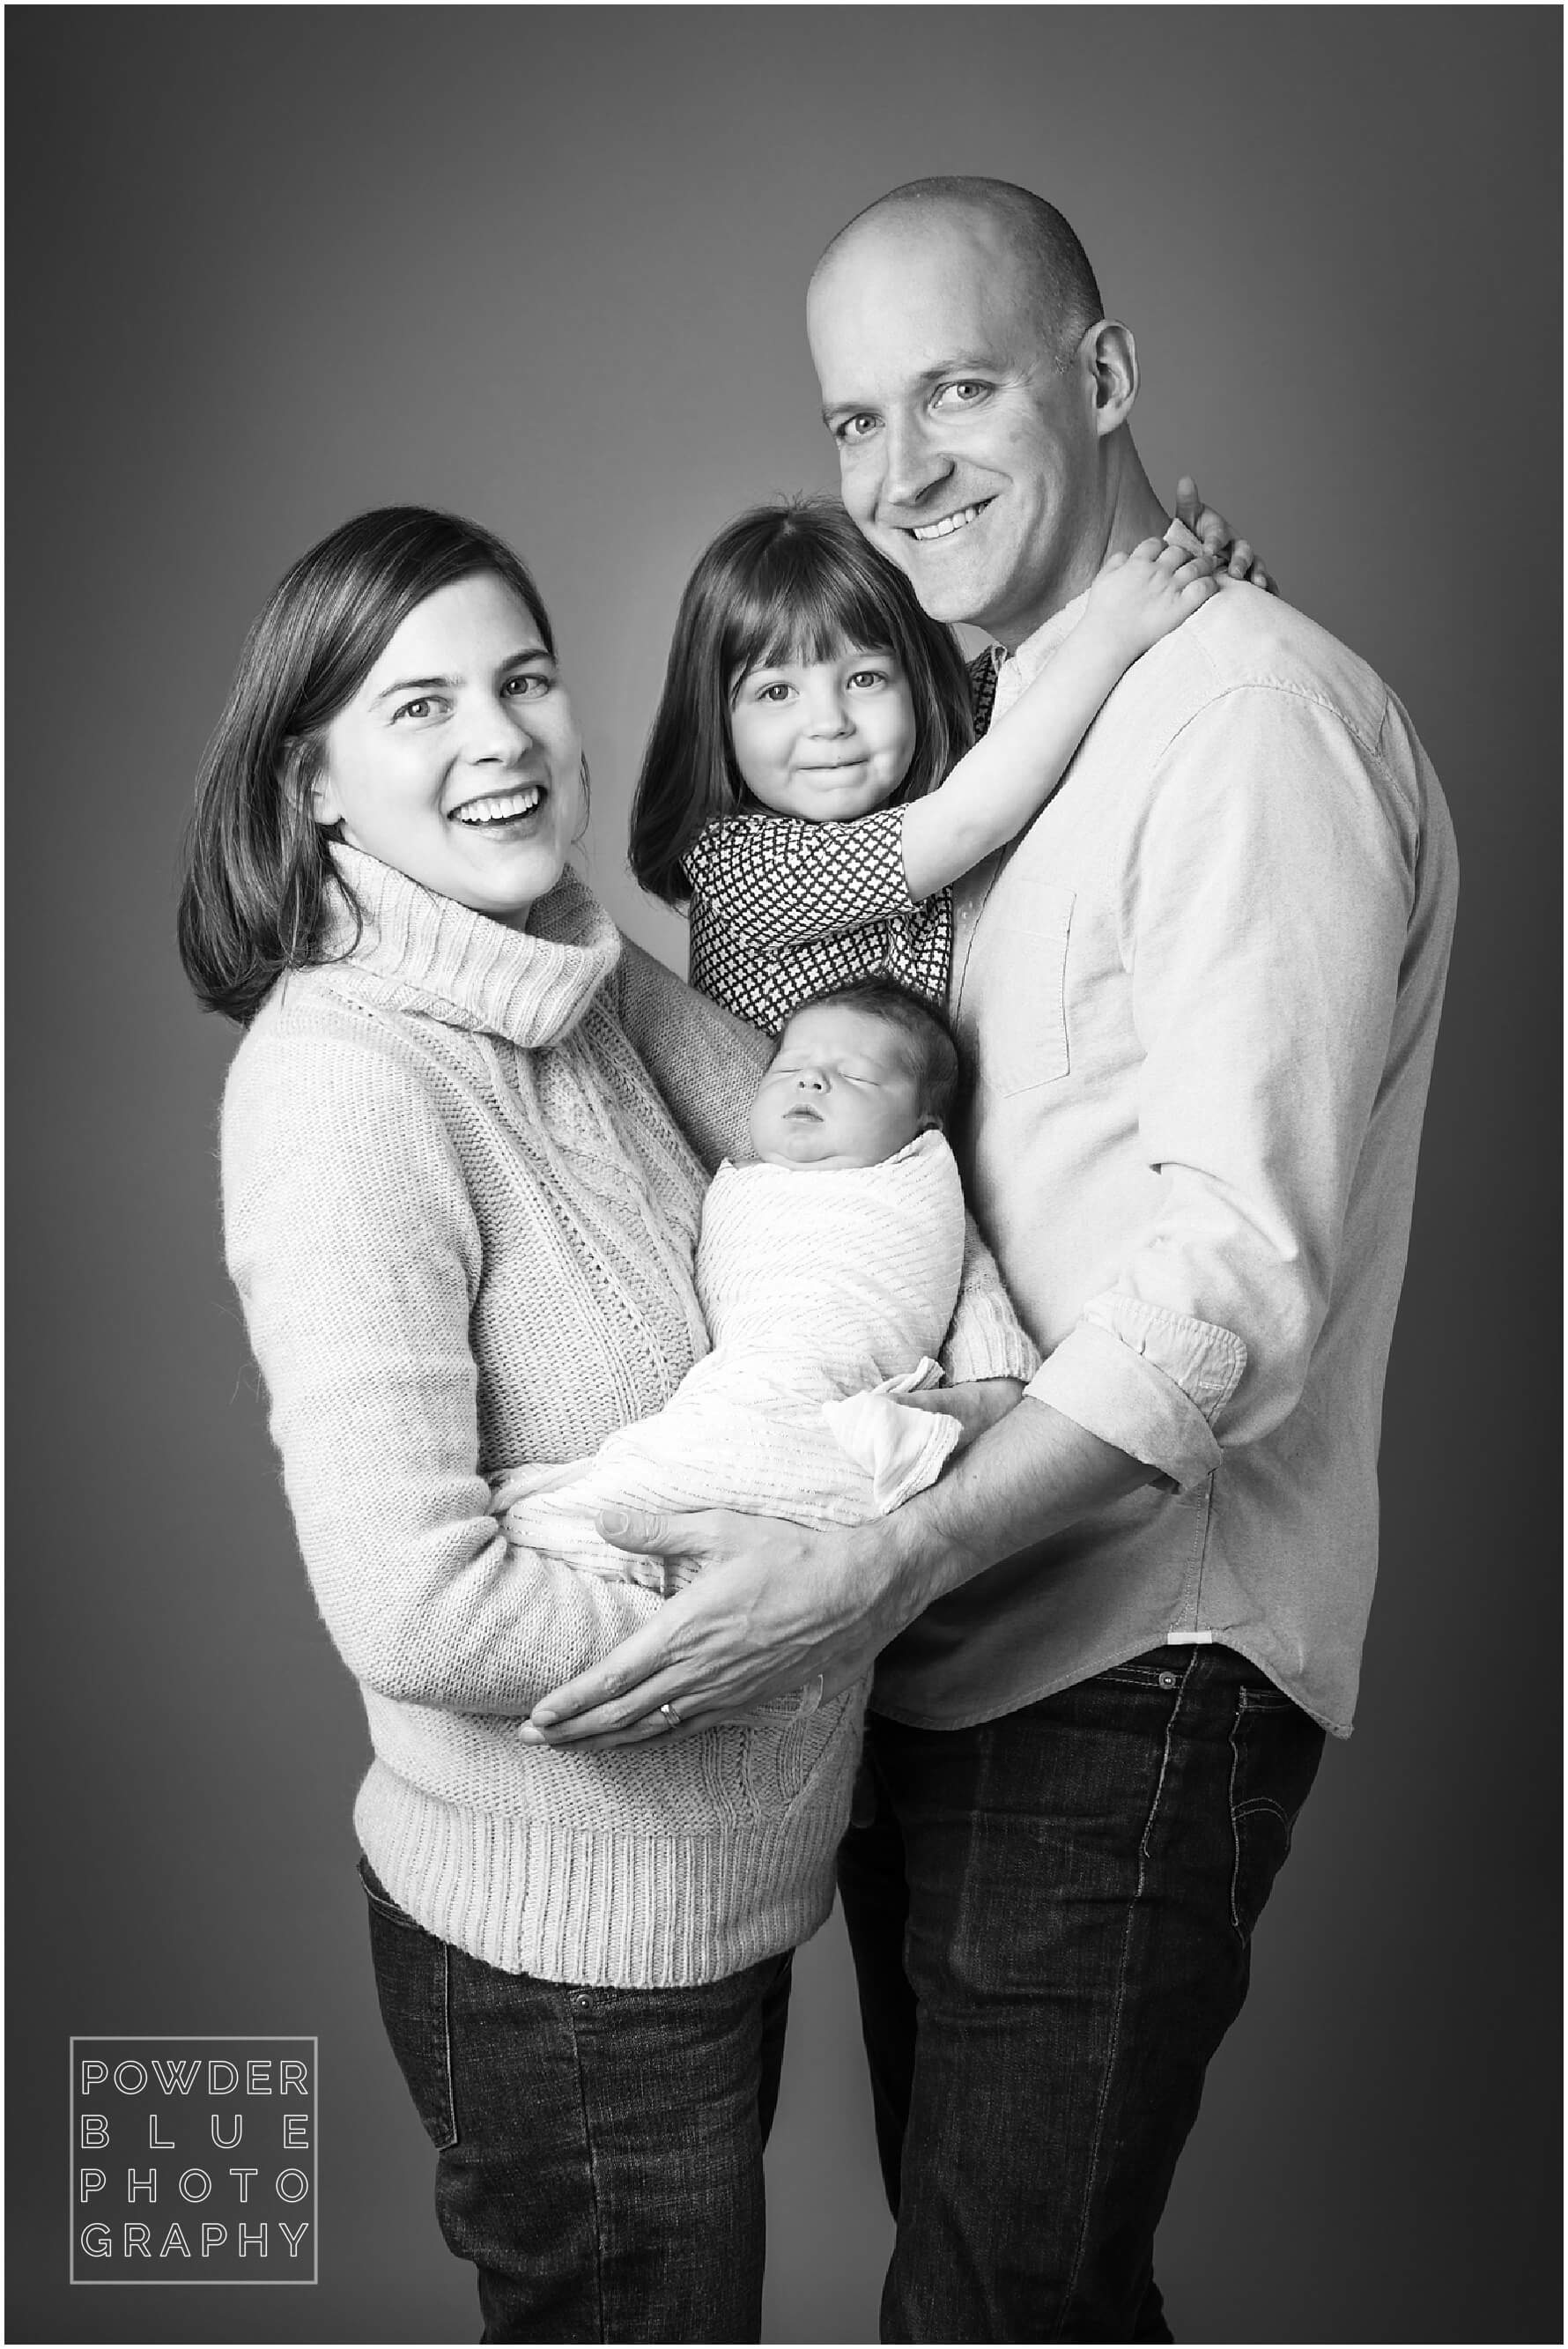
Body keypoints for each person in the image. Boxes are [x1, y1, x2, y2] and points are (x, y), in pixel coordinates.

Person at [520, 177, 1460, 2344]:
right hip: (949, 1636)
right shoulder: (997, 737)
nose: (903, 466)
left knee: (992, 2311)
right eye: (855, 417)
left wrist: (889, 1553)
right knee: (990, 2299)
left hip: (1125, 1654)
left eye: (961, 386)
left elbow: (1227, 1276)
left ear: (1105, 380)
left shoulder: (1235, 716)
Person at [177, 504, 1035, 2344]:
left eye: (525, 679)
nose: (497, 740)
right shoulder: (339, 1088)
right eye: (419, 708)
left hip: (719, 1905)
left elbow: (875, 1169)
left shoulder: (579, 965)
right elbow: (416, 1609)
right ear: (311, 780)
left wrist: (973, 1402)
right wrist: (798, 1607)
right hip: (563, 1965)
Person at [492, 982, 1039, 1588]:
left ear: (924, 1126)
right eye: (791, 1068)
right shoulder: (738, 1177)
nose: (812, 1081)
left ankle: (568, 1526)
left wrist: (996, 1386)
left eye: (855, 1077)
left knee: (665, 1486)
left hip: (815, 1396)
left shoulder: (918, 1185)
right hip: (735, 1388)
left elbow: (967, 1279)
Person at [630, 496, 1224, 1034]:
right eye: (776, 693)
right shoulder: (734, 861)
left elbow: (1048, 669)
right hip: (785, 1154)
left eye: (864, 679)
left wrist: (1185, 573)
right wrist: (1109, 635)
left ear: (919, 687)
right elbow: (966, 822)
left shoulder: (948, 743)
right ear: (717, 720)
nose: (829, 722)